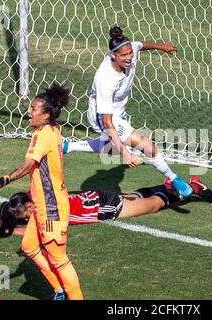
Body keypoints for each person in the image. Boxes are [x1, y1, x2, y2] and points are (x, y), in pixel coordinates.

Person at [63, 26, 194, 198]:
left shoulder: (130, 50)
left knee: (111, 146)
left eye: (130, 53)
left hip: (117, 113)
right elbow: (107, 121)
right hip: (102, 117)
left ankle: (68, 146)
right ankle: (174, 179)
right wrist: (125, 154)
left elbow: (140, 45)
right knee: (148, 147)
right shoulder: (105, 79)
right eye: (124, 55)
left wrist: (163, 47)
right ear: (113, 56)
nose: (129, 57)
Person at [0, 83, 83, 300]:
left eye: (34, 109)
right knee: (29, 246)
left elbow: (28, 166)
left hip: (51, 207)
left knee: (59, 259)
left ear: (45, 115)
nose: (28, 112)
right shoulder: (51, 130)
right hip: (42, 203)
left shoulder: (42, 135)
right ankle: (59, 290)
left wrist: (5, 180)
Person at [0, 176, 212, 238]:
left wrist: (8, 230)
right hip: (94, 197)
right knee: (134, 196)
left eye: (26, 213)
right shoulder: (38, 196)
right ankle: (166, 185)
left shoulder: (46, 214)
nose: (28, 217)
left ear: (30, 205)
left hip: (103, 207)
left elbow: (39, 232)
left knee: (152, 206)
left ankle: (193, 188)